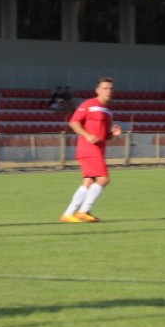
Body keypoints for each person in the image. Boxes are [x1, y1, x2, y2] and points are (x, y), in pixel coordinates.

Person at [60, 77, 122, 223]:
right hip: (88, 149)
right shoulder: (89, 104)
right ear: (98, 90)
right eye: (105, 88)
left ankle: (68, 214)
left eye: (111, 89)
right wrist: (87, 135)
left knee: (88, 182)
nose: (108, 91)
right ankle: (84, 211)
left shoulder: (108, 112)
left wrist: (113, 134)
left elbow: (104, 135)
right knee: (104, 179)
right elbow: (74, 122)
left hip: (98, 150)